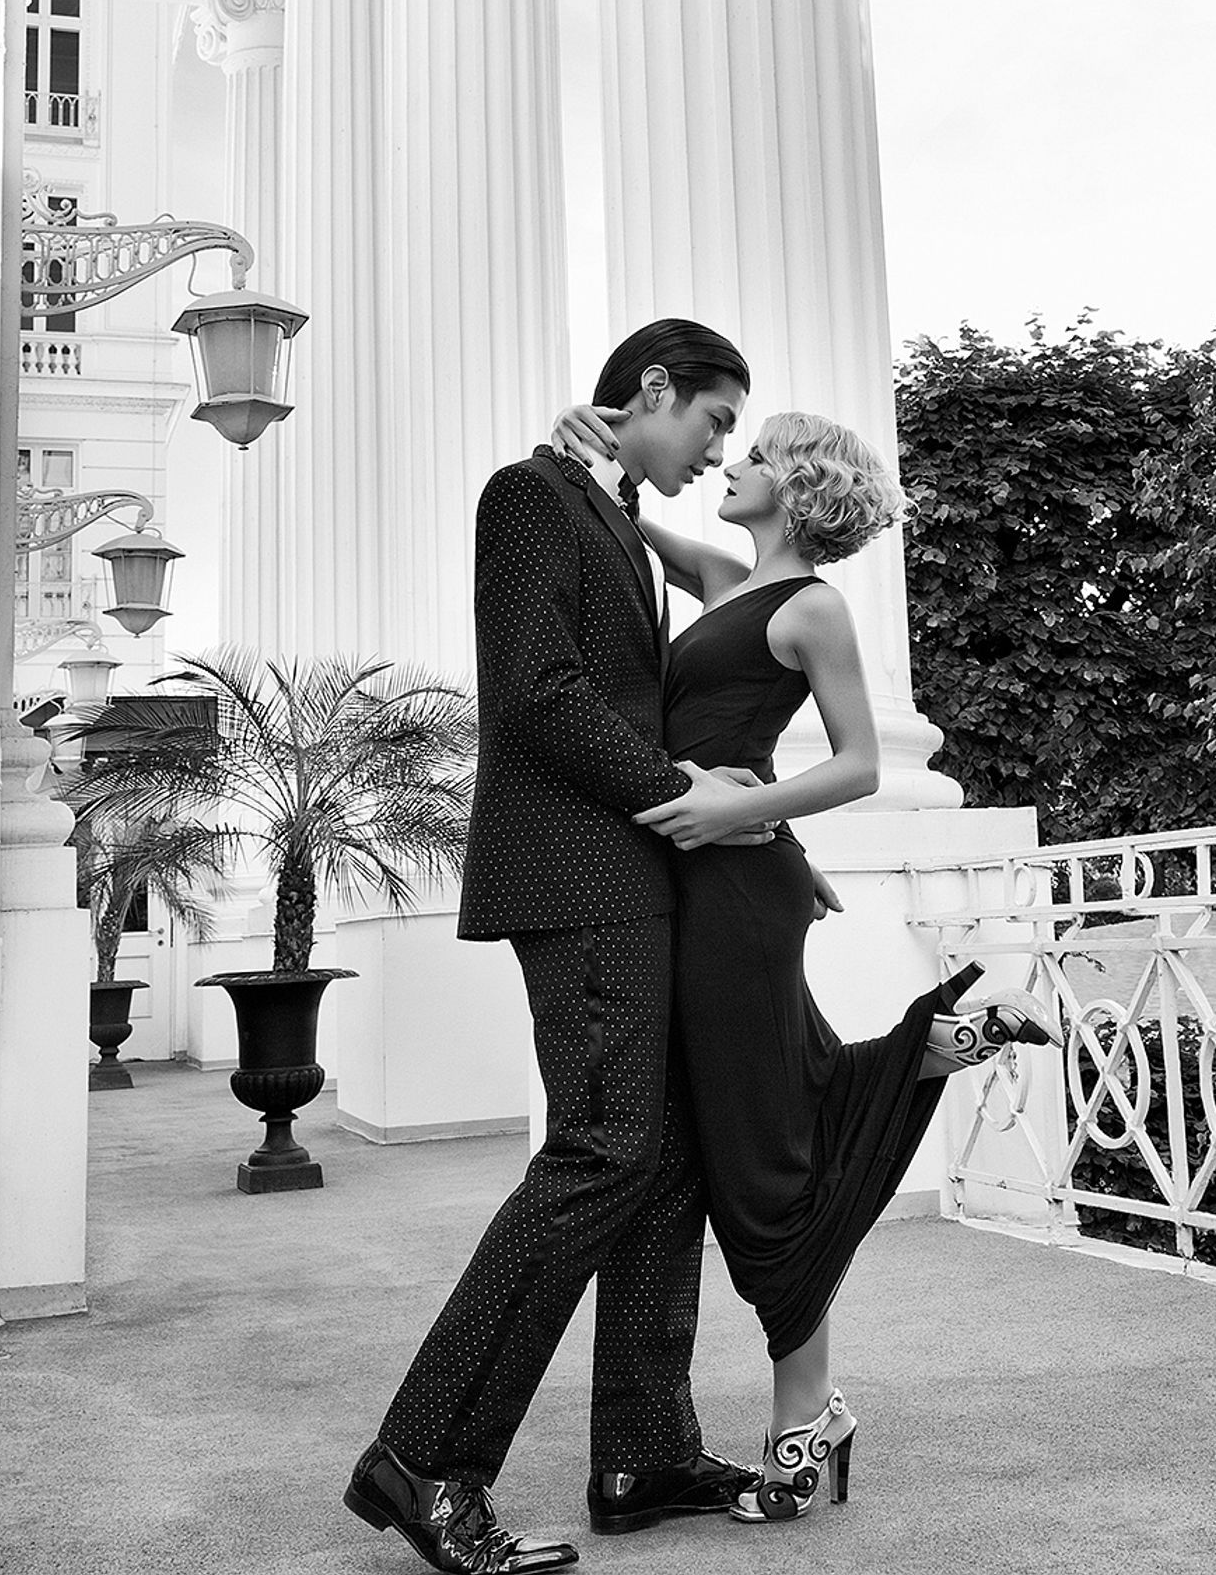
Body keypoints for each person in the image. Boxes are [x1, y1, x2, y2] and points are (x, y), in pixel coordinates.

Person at [553, 399, 1060, 1525]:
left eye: (760, 454)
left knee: (763, 1162)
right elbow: (620, 513)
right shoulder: (729, 580)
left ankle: (802, 1424)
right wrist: (574, 440)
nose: (732, 462)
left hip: (730, 888)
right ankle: (939, 1044)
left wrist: (730, 815)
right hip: (720, 879)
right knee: (781, 1115)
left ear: (800, 485)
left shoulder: (814, 608)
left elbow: (860, 763)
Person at [346, 320, 775, 1575]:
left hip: (635, 877)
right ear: (654, 388)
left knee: (665, 1154)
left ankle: (642, 1450)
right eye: (713, 420)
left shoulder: (606, 508)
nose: (717, 449)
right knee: (600, 1151)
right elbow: (534, 694)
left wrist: (626, 495)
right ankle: (426, 1461)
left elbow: (737, 593)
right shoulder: (526, 495)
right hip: (579, 877)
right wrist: (681, 786)